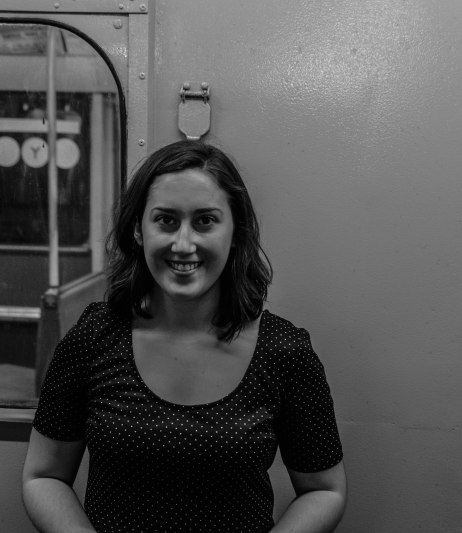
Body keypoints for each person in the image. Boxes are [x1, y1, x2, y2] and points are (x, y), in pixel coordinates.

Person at [22, 140, 346, 532]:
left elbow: (324, 490)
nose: (183, 244)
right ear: (138, 230)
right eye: (166, 220)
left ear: (235, 231)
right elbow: (44, 475)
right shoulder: (93, 338)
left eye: (205, 221)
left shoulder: (284, 351)